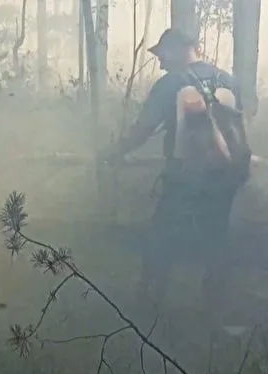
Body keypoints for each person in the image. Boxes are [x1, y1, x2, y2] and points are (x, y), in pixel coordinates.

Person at [102, 28, 249, 312]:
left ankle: (148, 301)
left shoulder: (170, 85)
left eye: (162, 54)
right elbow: (240, 129)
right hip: (225, 176)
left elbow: (143, 128)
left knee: (161, 236)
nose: (161, 62)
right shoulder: (229, 81)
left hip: (185, 176)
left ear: (177, 48)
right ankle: (214, 305)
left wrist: (116, 152)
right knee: (216, 238)